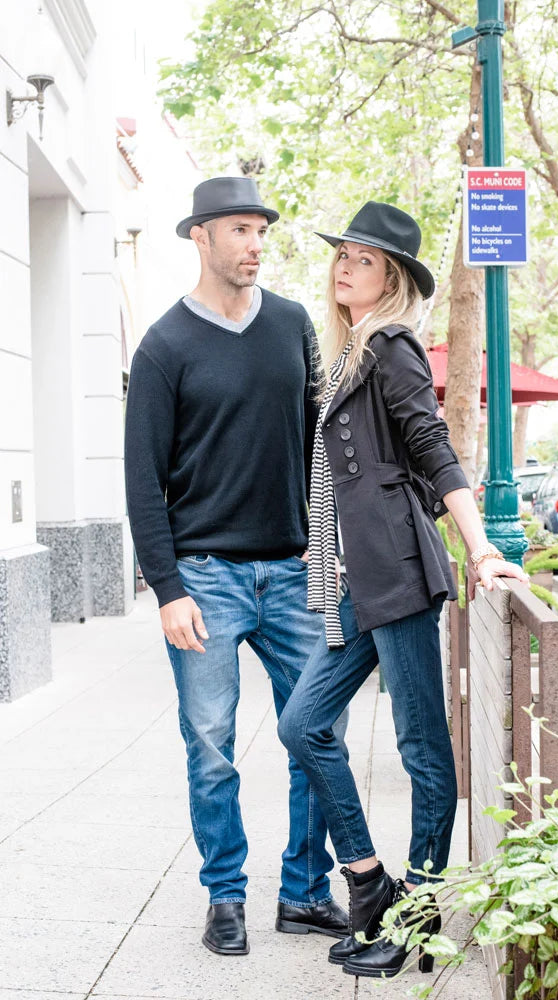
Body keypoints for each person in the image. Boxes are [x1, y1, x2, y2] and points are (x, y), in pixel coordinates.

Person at [277, 201, 529, 979]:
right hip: (358, 577)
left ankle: (417, 912)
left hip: (401, 573)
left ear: (390, 280)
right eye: (342, 255)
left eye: (364, 259)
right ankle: (367, 877)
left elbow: (432, 447)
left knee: (422, 748)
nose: (345, 266)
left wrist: (482, 546)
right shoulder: (348, 351)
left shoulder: (390, 345)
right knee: (303, 724)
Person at [124, 177, 348, 957]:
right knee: (210, 745)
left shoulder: (290, 325)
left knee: (314, 733)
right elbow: (141, 480)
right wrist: (168, 589)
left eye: (262, 231)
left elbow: (324, 444)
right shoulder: (162, 345)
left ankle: (304, 892)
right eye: (242, 230)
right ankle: (224, 896)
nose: (257, 244)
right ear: (202, 237)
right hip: (206, 576)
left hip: (294, 572)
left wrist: (332, 554)